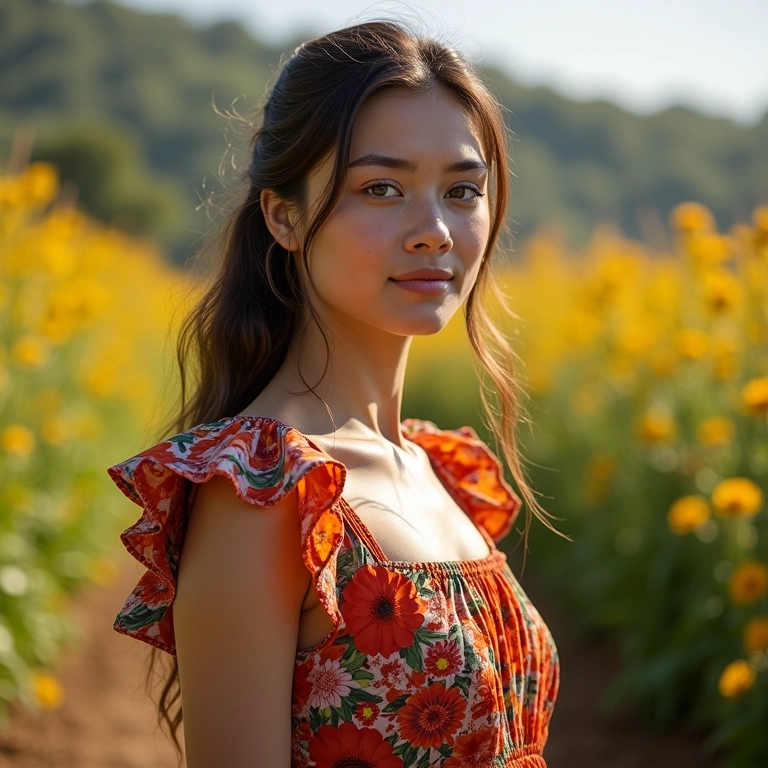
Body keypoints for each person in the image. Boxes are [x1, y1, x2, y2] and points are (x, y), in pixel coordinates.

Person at [108, 20, 559, 768]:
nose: (435, 230)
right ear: (285, 216)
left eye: (463, 190)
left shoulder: (438, 470)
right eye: (381, 188)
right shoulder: (264, 493)